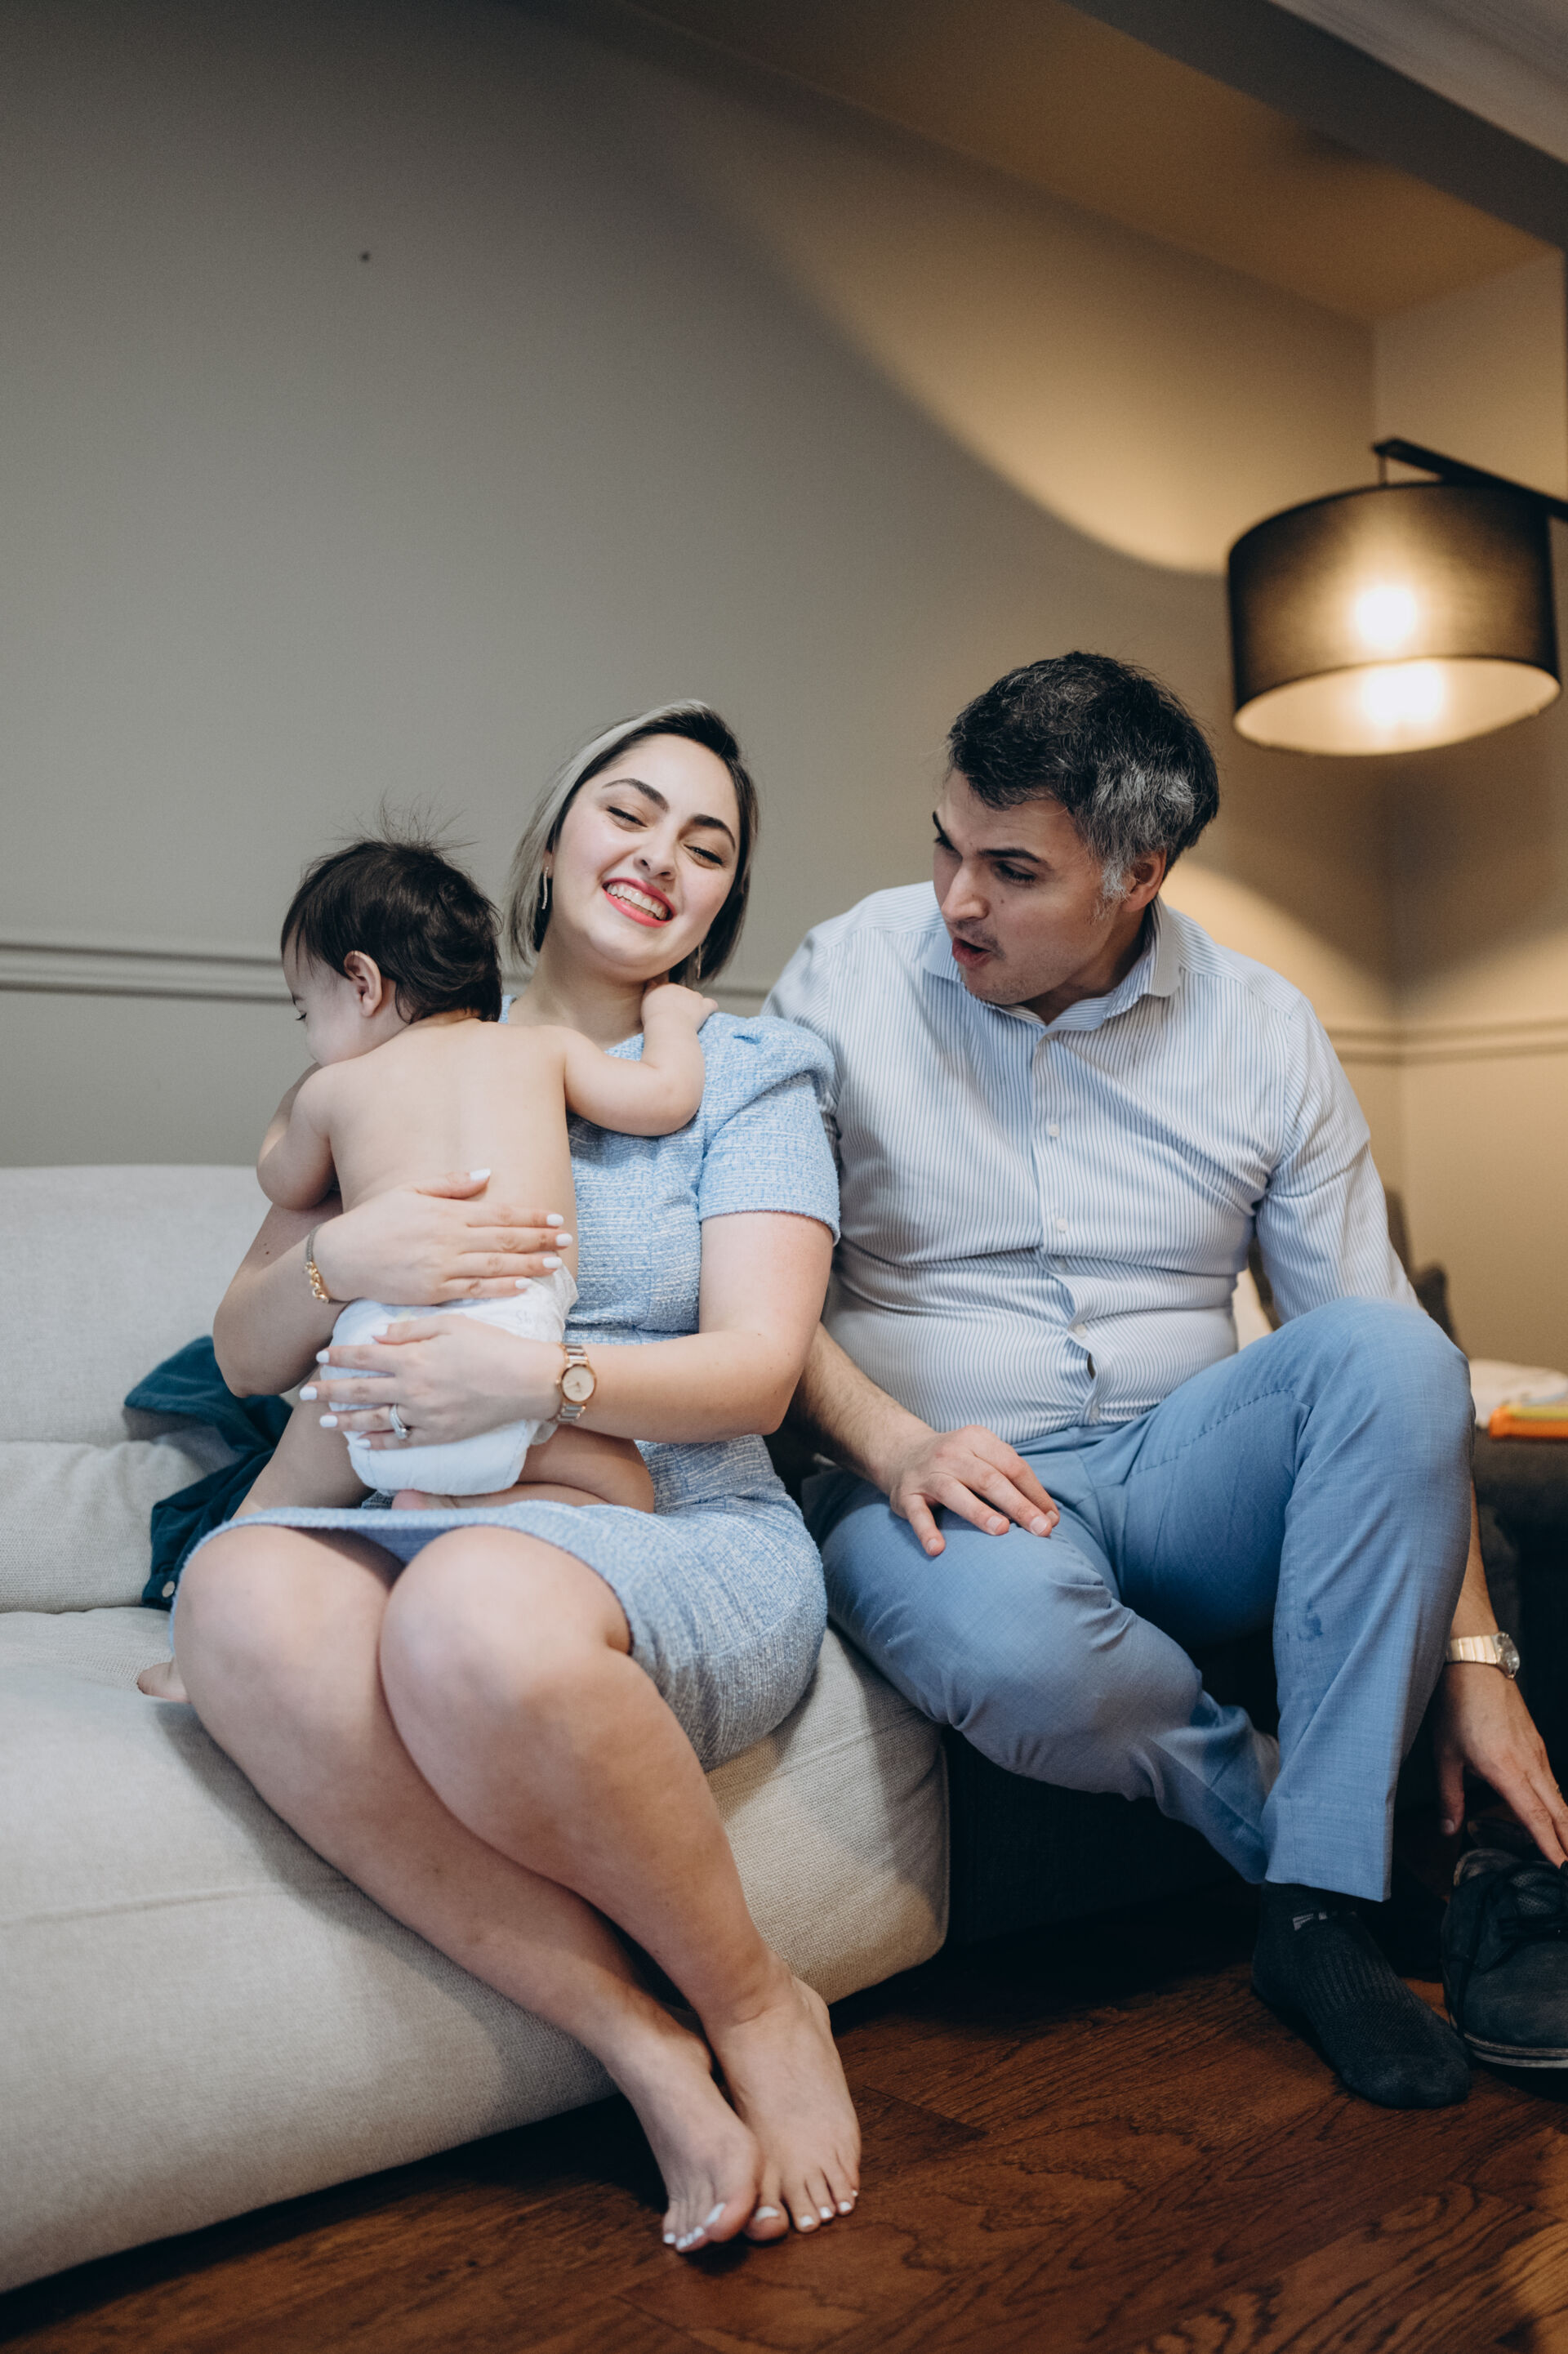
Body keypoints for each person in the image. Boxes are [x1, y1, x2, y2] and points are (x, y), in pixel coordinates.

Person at [769, 651, 1568, 2111]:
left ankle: (1313, 1918)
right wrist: (888, 1446)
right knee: (1025, 1651)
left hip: (1184, 1466)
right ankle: (1332, 1866)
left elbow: (1376, 1352)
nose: (956, 898)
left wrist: (1476, 1660)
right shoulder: (842, 978)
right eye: (946, 844)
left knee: (1401, 1354)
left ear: (1139, 873)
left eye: (1012, 870)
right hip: (935, 1478)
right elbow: (754, 1290)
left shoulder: (1261, 1027)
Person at [167, 702, 859, 2253]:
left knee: (469, 1606)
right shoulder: (402, 1054)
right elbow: (245, 1350)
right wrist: (348, 1255)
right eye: (630, 811)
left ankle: (759, 2002)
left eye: (708, 846)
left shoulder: (740, 1071)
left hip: (679, 1517)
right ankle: (639, 2044)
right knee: (234, 1597)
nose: (662, 857)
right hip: (437, 1507)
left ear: (719, 904)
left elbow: (760, 1371)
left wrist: (532, 1380)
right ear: (554, 842)